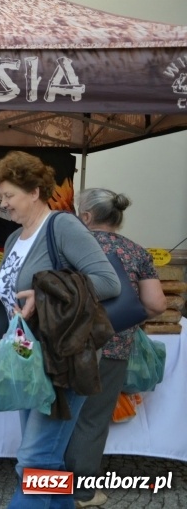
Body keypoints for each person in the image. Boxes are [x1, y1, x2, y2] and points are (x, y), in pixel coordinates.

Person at [0, 151, 121, 509]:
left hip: (62, 361)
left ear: (34, 192)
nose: (3, 203)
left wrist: (45, 290)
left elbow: (109, 282)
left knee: (33, 458)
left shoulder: (62, 226)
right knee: (48, 458)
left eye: (10, 195)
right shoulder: (16, 239)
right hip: (29, 362)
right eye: (1, 196)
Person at [64, 189, 167, 508]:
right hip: (112, 347)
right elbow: (156, 305)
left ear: (86, 217)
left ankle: (48, 484)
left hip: (66, 344)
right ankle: (82, 493)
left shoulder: (67, 247)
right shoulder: (136, 252)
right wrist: (126, 320)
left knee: (57, 416)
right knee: (92, 419)